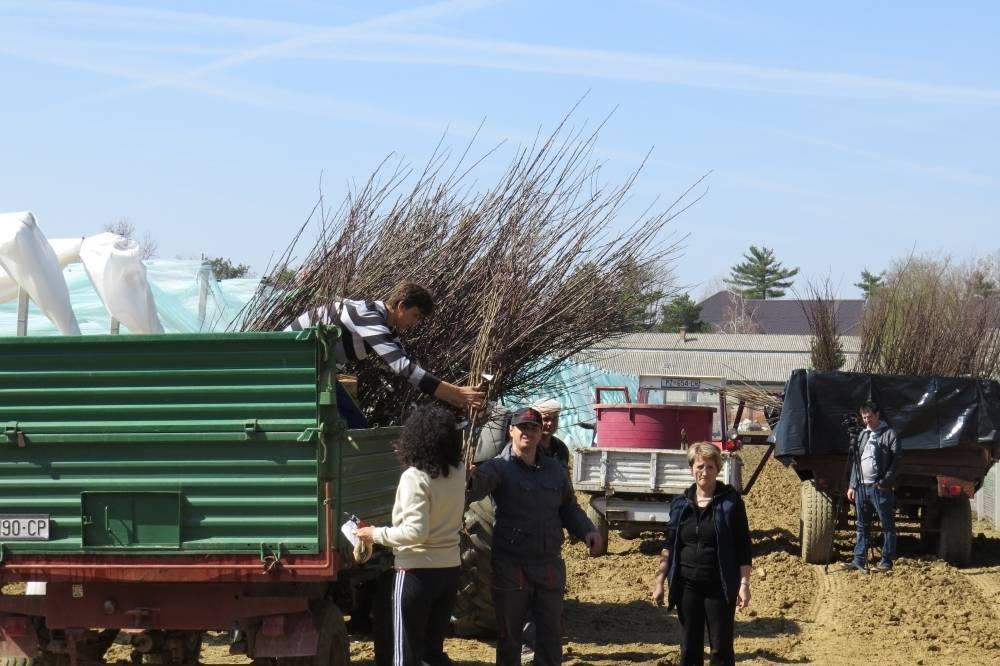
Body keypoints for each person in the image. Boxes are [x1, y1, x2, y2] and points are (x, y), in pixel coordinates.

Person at [467, 407, 603, 666]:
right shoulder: (498, 468)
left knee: (551, 637)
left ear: (541, 433)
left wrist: (588, 530)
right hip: (511, 567)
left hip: (548, 566)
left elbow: (568, 507)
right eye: (522, 427)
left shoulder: (555, 469)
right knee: (510, 638)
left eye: (534, 428)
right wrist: (466, 478)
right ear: (511, 430)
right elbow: (473, 489)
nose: (528, 432)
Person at [356, 404, 466, 666]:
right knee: (432, 652)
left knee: (405, 655)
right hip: (450, 570)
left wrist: (374, 534)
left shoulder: (414, 477)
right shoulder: (459, 471)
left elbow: (415, 532)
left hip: (416, 574)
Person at [284, 282, 485, 425]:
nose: (415, 323)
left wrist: (454, 396)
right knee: (354, 424)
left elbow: (408, 366)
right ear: (401, 306)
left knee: (353, 423)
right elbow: (403, 367)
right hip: (291, 361)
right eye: (415, 315)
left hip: (313, 368)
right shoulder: (368, 316)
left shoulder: (385, 326)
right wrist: (457, 393)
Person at [651, 442, 752, 666]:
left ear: (718, 470)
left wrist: (744, 584)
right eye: (699, 466)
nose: (704, 472)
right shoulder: (680, 504)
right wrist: (659, 581)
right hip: (687, 586)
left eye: (710, 467)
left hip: (719, 587)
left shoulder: (731, 503)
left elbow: (743, 547)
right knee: (689, 648)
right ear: (691, 469)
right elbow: (669, 545)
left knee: (721, 649)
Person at [845, 399, 901, 573]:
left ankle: (886, 561)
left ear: (877, 415)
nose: (866, 420)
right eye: (864, 417)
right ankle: (858, 560)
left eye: (869, 416)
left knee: (887, 525)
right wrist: (852, 485)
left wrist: (885, 482)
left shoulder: (890, 434)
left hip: (879, 488)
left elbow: (897, 462)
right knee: (862, 525)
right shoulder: (863, 435)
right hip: (862, 487)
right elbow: (856, 461)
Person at [531, 398, 571, 468]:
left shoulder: (560, 447)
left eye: (554, 419)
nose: (550, 423)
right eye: (546, 419)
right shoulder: (529, 446)